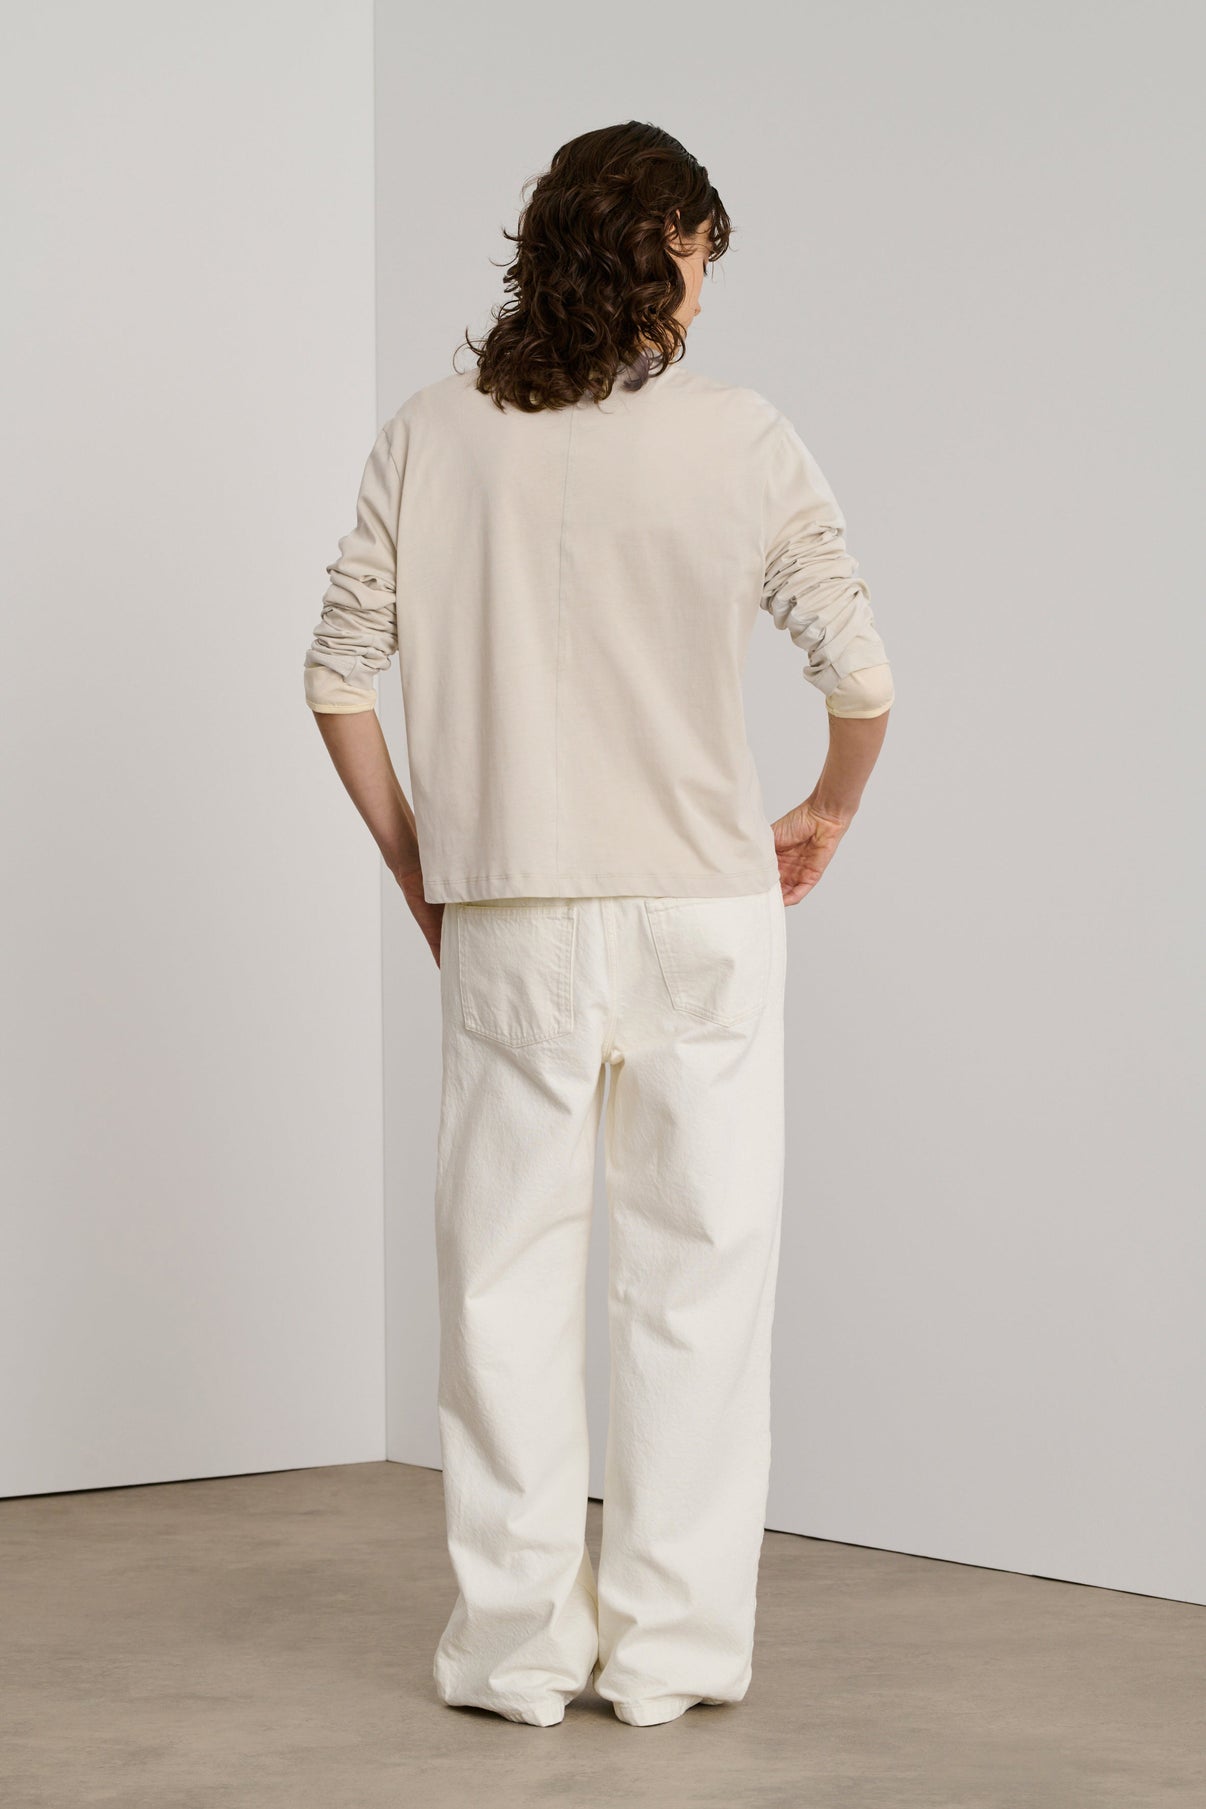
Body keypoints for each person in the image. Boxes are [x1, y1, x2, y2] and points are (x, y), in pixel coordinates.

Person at [303, 120, 894, 1730]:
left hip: (511, 914)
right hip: (703, 908)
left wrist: (423, 866)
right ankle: (672, 1653)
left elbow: (337, 673)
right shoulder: (740, 436)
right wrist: (827, 810)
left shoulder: (432, 435)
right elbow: (861, 675)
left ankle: (513, 1654)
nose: (703, 289)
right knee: (698, 1280)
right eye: (699, 258)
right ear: (673, 254)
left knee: (502, 1285)